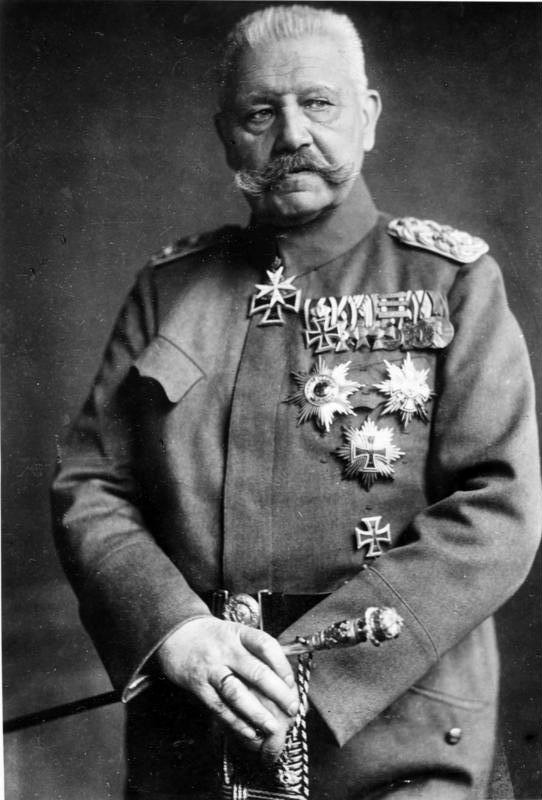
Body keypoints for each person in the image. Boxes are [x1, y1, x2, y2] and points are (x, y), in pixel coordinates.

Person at [51, 5, 541, 799]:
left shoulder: (449, 280)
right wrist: (175, 630)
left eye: (318, 103)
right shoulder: (168, 290)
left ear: (367, 116)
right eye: (260, 113)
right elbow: (91, 483)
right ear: (226, 136)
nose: (291, 135)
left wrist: (318, 670)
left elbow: (500, 508)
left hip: (397, 736)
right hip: (197, 727)